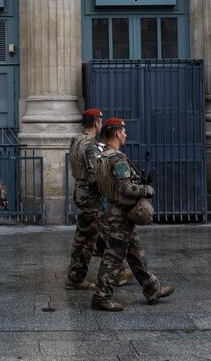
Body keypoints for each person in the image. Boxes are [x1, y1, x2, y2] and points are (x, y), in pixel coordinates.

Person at [91, 118, 174, 311]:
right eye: (124, 132)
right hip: (121, 214)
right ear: (118, 133)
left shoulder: (103, 156)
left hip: (113, 210)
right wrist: (146, 190)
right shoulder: (117, 158)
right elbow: (125, 187)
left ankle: (152, 287)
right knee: (113, 257)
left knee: (135, 254)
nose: (126, 135)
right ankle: (101, 296)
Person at [66, 109, 105, 290]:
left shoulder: (76, 140)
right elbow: (94, 174)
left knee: (93, 233)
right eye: (100, 121)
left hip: (80, 190)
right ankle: (75, 278)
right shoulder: (90, 145)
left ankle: (118, 269)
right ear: (96, 122)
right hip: (89, 195)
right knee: (87, 239)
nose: (101, 125)